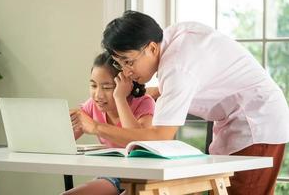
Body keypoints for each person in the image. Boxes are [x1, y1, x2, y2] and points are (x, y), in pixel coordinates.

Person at [74, 10, 289, 195]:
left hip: (257, 120)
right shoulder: (172, 38)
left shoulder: (176, 68)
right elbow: (202, 73)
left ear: (151, 48)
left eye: (129, 62)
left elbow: (159, 138)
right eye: (120, 63)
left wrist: (96, 127)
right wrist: (160, 91)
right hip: (236, 119)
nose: (127, 71)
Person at [63, 51, 155, 195]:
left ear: (126, 84)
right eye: (93, 86)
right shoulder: (92, 105)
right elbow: (64, 140)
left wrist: (120, 98)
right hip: (113, 175)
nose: (98, 95)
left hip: (145, 175)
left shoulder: (144, 102)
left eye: (107, 87)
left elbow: (138, 143)